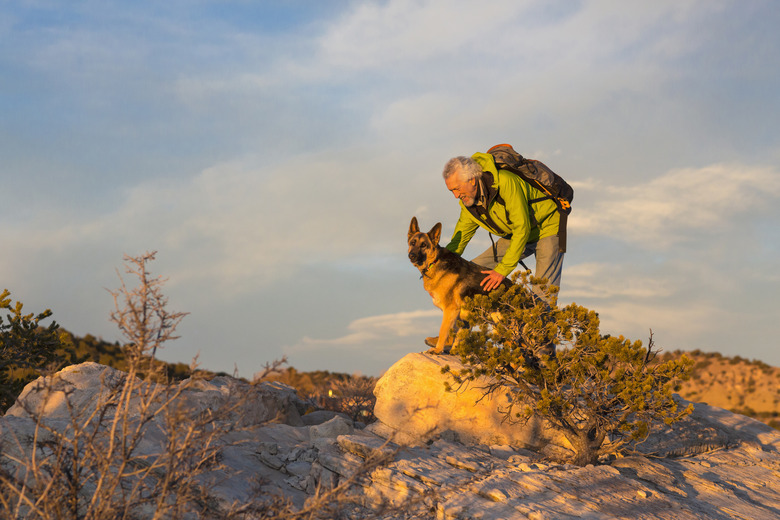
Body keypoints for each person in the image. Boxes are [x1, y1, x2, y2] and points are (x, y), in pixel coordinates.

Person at [442, 152, 566, 300]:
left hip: (550, 227)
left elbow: (522, 227)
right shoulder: (468, 203)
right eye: (451, 191)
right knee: (470, 274)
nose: (456, 196)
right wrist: (439, 269)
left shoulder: (505, 182)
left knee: (543, 295)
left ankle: (541, 321)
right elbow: (458, 242)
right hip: (516, 235)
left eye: (457, 188)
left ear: (472, 180)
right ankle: (483, 318)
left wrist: (502, 270)